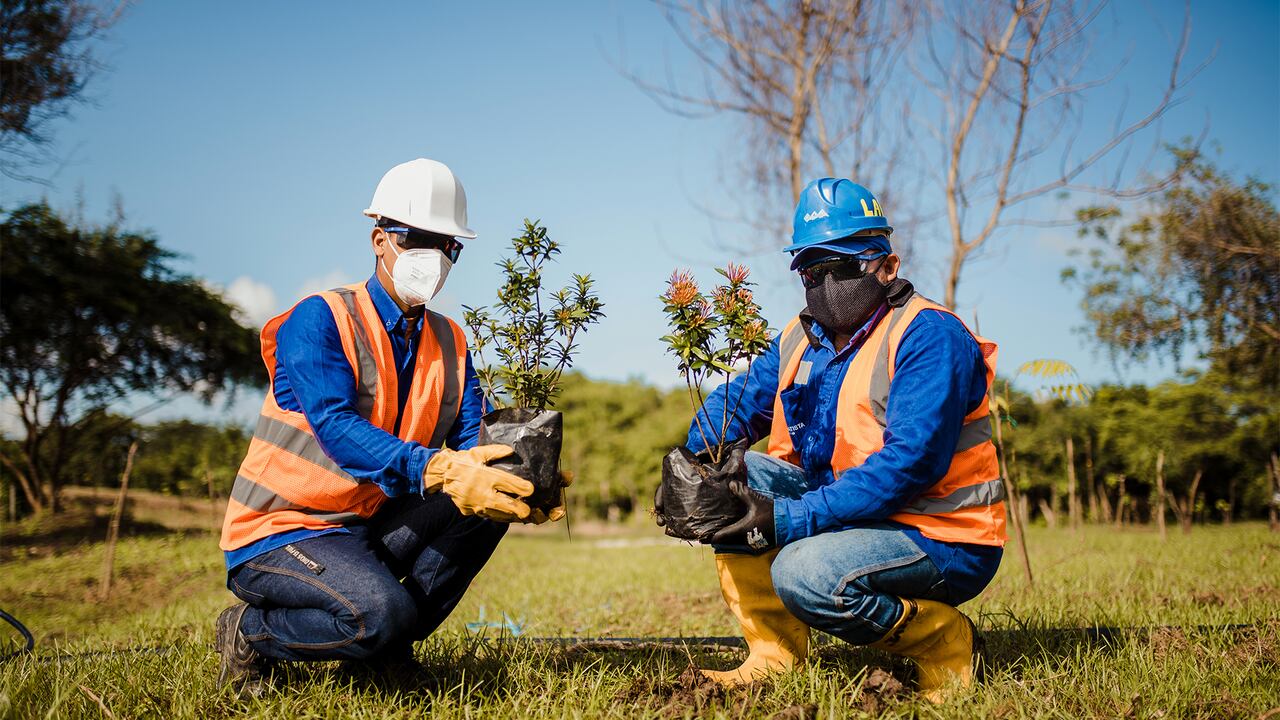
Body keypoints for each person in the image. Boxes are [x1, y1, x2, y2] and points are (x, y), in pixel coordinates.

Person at [214, 158, 566, 696]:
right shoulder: (321, 319)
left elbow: (472, 442)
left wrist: (522, 476)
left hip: (362, 525)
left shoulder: (450, 341)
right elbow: (335, 426)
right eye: (419, 238)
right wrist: (441, 468)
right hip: (280, 531)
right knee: (382, 613)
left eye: (448, 243)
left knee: (483, 509)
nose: (435, 256)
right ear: (381, 240)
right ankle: (251, 632)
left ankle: (379, 653)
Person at [678, 178, 1005, 702]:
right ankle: (774, 655)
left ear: (888, 266)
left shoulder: (928, 335)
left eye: (847, 267)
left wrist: (790, 519)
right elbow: (735, 402)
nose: (829, 286)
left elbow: (910, 465)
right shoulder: (800, 337)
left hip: (941, 536)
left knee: (803, 574)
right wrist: (692, 461)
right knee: (725, 477)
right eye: (813, 271)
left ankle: (946, 643)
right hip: (853, 516)